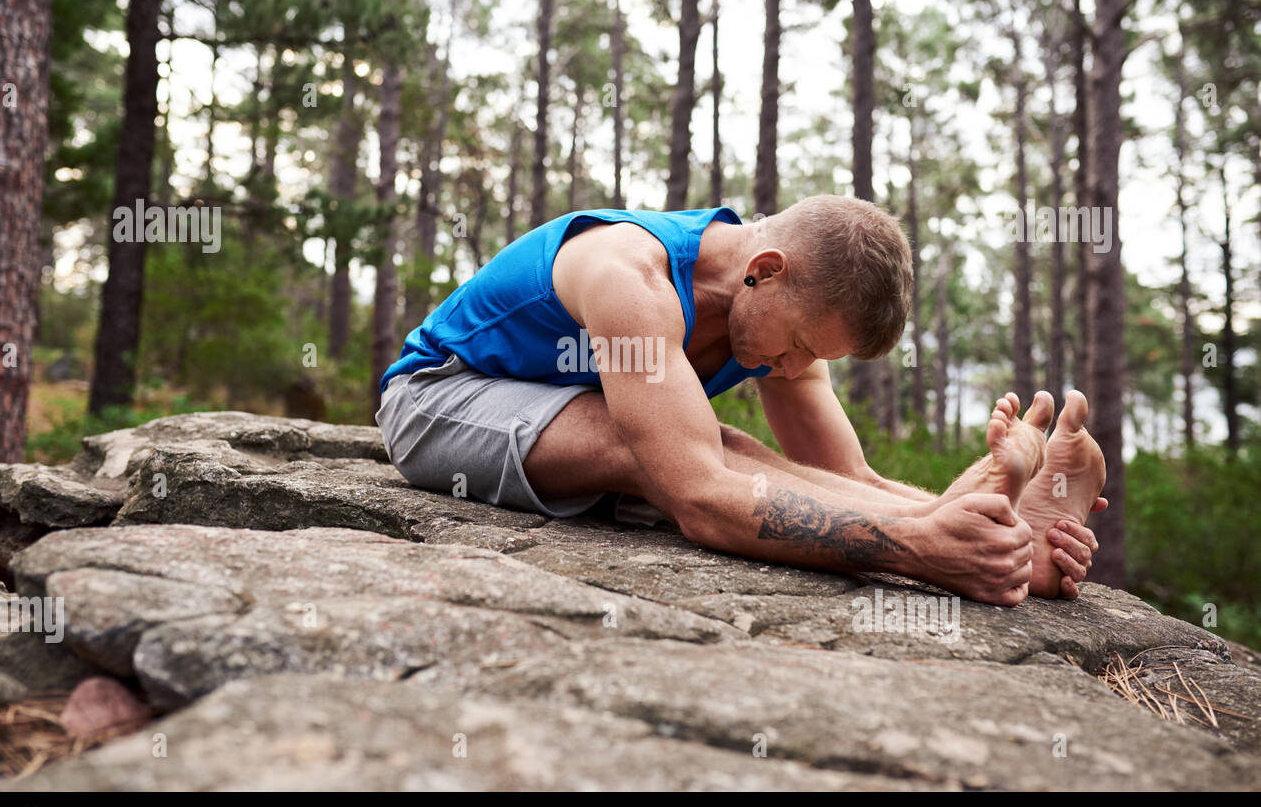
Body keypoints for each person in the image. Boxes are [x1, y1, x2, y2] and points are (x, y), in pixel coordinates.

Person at [376, 195, 1106, 605]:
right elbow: (696, 497)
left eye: (815, 357)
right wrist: (920, 550)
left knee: (734, 447)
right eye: (800, 345)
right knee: (654, 452)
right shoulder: (631, 276)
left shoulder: (781, 315)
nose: (796, 367)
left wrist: (979, 527)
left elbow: (851, 481)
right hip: (437, 396)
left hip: (554, 415)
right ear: (764, 269)